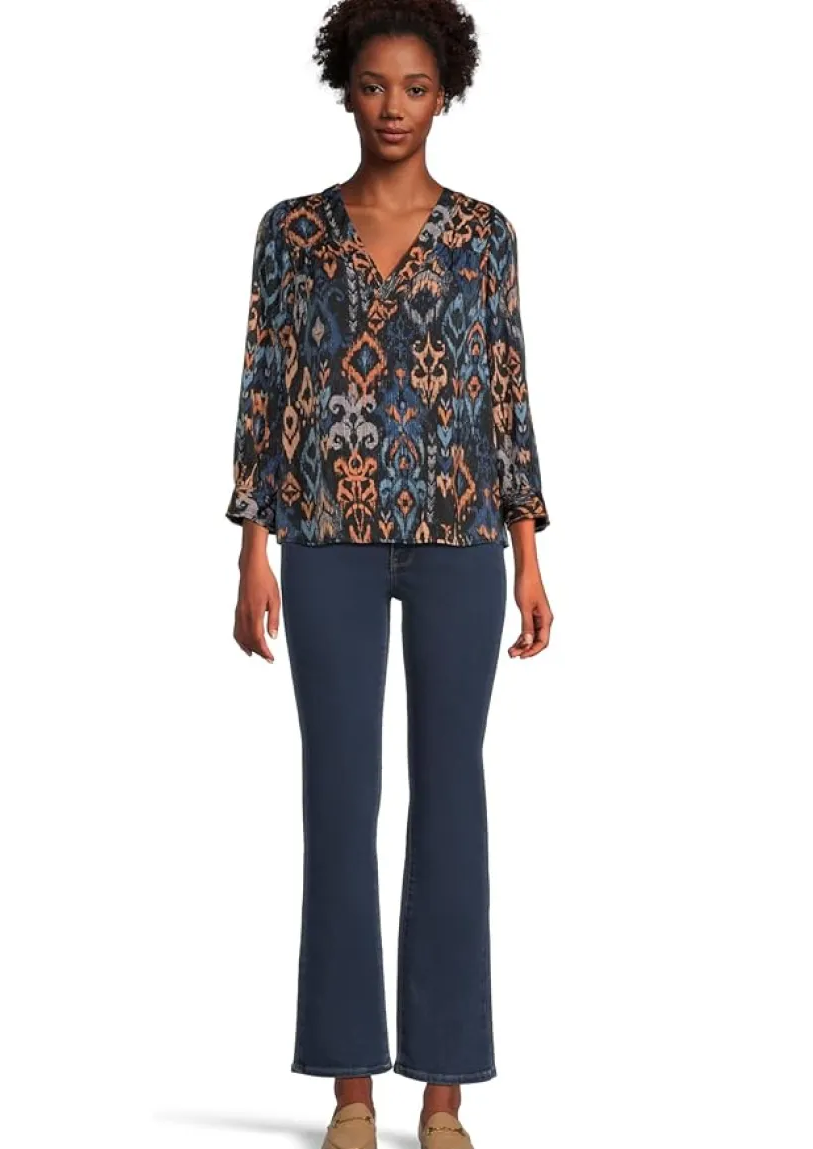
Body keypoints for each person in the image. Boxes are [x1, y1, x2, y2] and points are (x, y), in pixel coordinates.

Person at [224, 2, 554, 1145]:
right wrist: (252, 546)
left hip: (461, 536)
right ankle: (350, 1088)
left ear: (443, 94)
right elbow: (264, 388)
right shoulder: (291, 233)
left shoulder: (482, 235)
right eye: (373, 85)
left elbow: (506, 392)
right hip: (324, 537)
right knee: (338, 798)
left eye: (414, 87)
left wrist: (527, 554)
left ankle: (444, 1090)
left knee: (450, 798)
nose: (393, 108)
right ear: (346, 90)